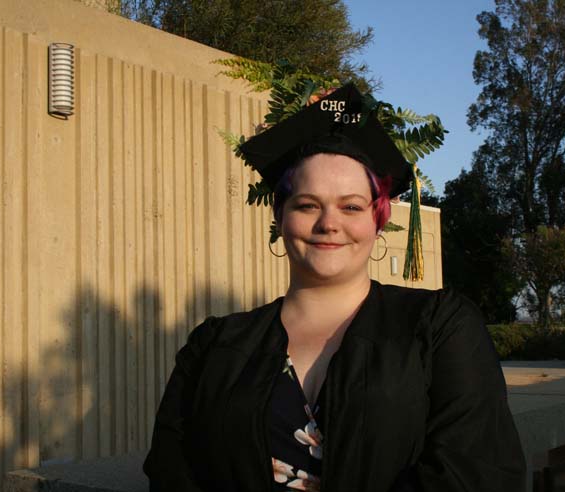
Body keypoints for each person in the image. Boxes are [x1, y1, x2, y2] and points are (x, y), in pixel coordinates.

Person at [143, 84, 526, 491]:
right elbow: (172, 472)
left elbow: (477, 473)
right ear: (280, 216)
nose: (329, 223)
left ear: (377, 219)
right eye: (308, 205)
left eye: (351, 206)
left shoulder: (438, 329)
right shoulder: (214, 346)